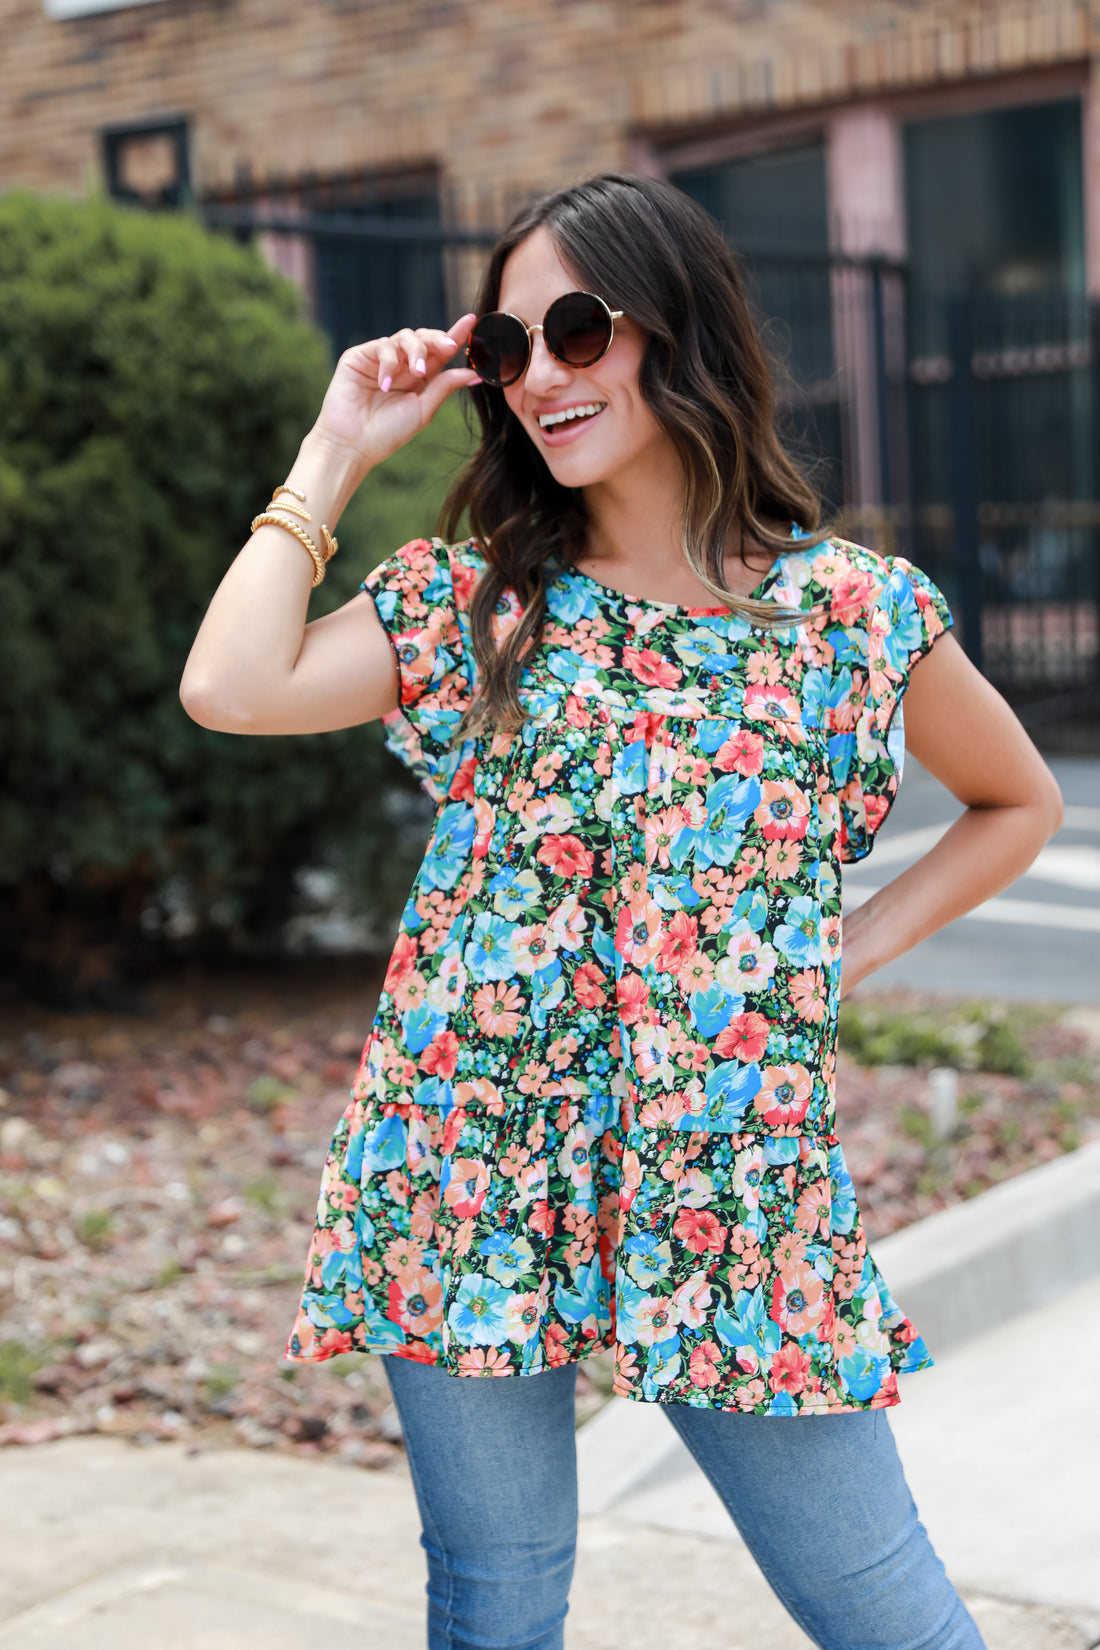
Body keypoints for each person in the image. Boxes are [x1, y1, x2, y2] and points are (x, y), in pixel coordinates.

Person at [181, 174, 1062, 1650]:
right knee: (499, 1605)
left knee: (893, 1616)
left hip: (733, 1173)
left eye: (577, 330)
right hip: (469, 1166)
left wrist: (838, 955)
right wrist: (335, 448)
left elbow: (1018, 801)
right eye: (508, 349)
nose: (541, 377)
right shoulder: (486, 603)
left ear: (680, 332)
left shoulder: (851, 615)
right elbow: (230, 685)